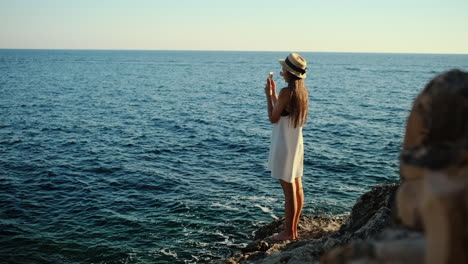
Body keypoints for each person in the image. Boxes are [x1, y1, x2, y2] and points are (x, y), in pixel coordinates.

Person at [265, 52, 309, 241]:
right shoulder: (300, 92)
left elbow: (273, 118)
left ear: (289, 73)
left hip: (284, 144)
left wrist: (268, 96)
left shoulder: (286, 92)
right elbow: (283, 111)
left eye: (284, 70)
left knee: (288, 191)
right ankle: (294, 230)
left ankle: (288, 233)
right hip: (295, 144)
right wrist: (275, 95)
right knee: (297, 187)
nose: (281, 72)